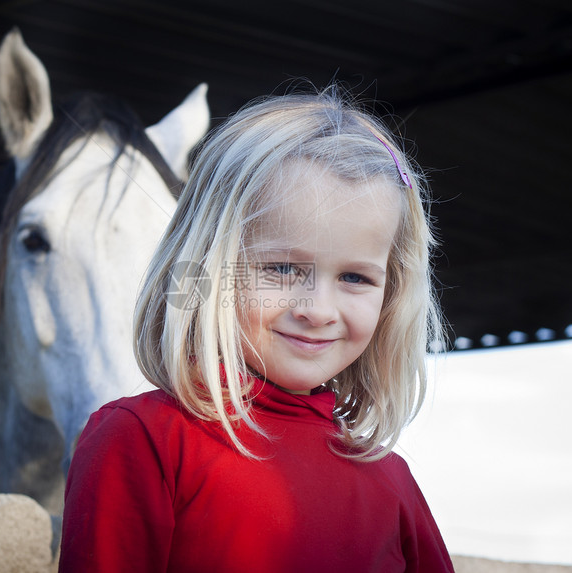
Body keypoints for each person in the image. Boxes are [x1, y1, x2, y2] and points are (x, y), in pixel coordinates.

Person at [59, 87, 454, 572]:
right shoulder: (141, 440)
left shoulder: (392, 481)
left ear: (390, 295)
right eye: (282, 269)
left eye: (355, 277)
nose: (318, 309)